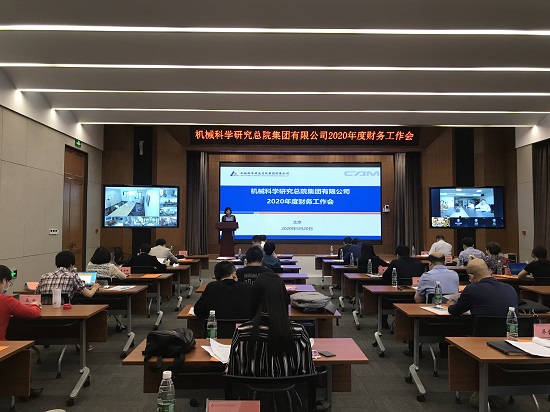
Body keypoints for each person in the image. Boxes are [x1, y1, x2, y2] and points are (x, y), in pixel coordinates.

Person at [227, 272, 315, 409]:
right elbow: (308, 374)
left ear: (255, 297)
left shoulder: (242, 333)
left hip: (250, 404)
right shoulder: (299, 333)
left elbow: (233, 374)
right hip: (289, 404)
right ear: (283, 297)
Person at [0, 265, 43, 401]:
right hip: (2, 345)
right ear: (3, 281)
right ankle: (21, 390)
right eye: (8, 282)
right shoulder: (6, 300)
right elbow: (32, 314)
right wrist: (35, 305)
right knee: (21, 351)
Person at [405, 253, 459, 358]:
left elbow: (418, 300)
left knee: (412, 316)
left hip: (431, 320)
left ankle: (415, 351)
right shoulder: (454, 274)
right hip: (452, 318)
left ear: (429, 263)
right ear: (444, 262)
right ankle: (444, 350)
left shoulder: (426, 276)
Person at [448, 258, 517, 316]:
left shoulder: (471, 289)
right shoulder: (510, 289)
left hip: (483, 328)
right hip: (508, 328)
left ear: (471, 276)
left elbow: (455, 311)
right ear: (490, 271)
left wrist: (450, 304)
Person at [194, 262, 253, 330]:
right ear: (234, 274)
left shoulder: (212, 287)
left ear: (216, 277)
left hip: (216, 332)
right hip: (243, 332)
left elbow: (198, 310)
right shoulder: (248, 287)